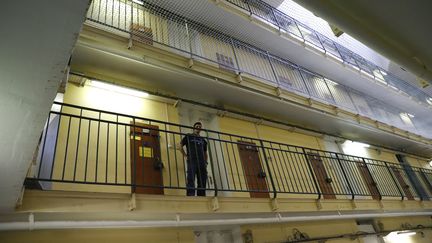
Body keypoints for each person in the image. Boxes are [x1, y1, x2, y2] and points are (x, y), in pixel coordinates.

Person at [181, 121, 208, 196]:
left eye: (200, 127)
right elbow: (180, 145)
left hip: (202, 162)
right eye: (197, 126)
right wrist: (185, 155)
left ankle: (201, 195)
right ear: (194, 128)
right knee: (191, 178)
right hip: (192, 160)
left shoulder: (203, 140)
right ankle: (190, 195)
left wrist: (206, 162)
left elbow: (205, 152)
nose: (198, 128)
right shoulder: (189, 136)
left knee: (202, 179)